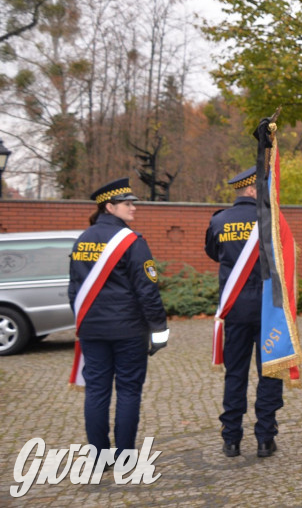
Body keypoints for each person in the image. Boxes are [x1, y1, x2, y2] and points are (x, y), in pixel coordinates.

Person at [68, 177, 169, 465]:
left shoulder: (82, 240)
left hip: (92, 329)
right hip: (128, 331)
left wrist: (84, 322)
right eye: (127, 204)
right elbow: (147, 290)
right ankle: (125, 457)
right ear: (109, 207)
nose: (133, 208)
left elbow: (73, 289)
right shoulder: (132, 241)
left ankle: (99, 457)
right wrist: (159, 330)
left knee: (96, 391)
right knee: (128, 391)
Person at [206, 166, 284, 459]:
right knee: (270, 372)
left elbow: (214, 253)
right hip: (268, 310)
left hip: (235, 309)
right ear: (253, 190)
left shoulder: (219, 220)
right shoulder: (271, 220)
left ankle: (231, 440)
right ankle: (265, 438)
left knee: (235, 373)